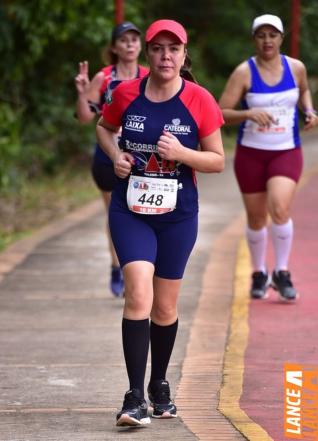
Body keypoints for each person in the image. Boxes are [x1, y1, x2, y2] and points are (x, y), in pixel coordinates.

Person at [96, 19, 224, 426]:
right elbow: (104, 126)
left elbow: (217, 159)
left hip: (177, 216)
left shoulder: (200, 100)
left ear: (185, 55)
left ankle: (159, 384)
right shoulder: (127, 93)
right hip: (130, 211)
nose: (165, 56)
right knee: (138, 295)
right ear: (148, 54)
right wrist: (115, 155)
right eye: (158, 48)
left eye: (174, 48)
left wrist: (184, 153)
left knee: (165, 307)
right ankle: (134, 396)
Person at [219, 14, 318, 301]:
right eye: (261, 35)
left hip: (286, 151)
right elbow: (219, 113)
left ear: (281, 38)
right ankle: (259, 272)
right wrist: (247, 113)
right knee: (256, 216)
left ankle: (282, 271)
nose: (267, 41)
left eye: (272, 35)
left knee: (280, 208)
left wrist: (308, 111)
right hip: (251, 154)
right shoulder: (243, 73)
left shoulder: (295, 67)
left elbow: (304, 90)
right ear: (254, 39)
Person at [75, 22, 148, 297]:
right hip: (109, 155)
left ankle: (135, 271)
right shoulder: (104, 78)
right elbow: (85, 118)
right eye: (124, 40)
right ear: (114, 47)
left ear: (141, 46)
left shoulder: (149, 76)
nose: (130, 44)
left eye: (134, 40)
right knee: (117, 215)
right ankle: (118, 267)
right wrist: (83, 92)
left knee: (140, 214)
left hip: (141, 155)